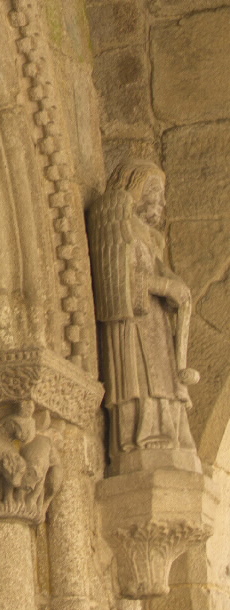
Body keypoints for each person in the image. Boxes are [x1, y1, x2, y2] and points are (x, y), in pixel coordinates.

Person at [89, 162, 199, 461]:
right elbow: (116, 279)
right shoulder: (116, 222)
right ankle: (141, 438)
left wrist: (177, 290)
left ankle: (170, 433)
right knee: (140, 381)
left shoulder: (151, 238)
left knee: (164, 379)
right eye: (153, 191)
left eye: (161, 194)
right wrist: (164, 286)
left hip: (155, 321)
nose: (160, 201)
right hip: (131, 321)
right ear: (134, 189)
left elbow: (162, 273)